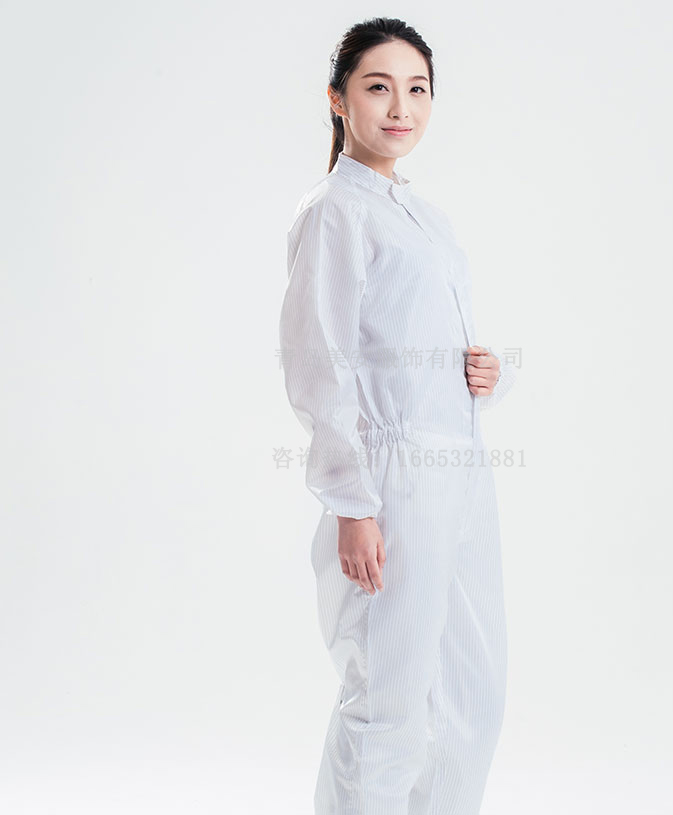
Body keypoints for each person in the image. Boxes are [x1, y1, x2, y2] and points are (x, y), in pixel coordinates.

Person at [279, 16, 518, 815]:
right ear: (338, 99)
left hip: (461, 473)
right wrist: (352, 504)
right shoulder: (334, 212)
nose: (400, 107)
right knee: (388, 701)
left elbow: (406, 340)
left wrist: (484, 373)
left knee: (472, 695)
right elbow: (319, 363)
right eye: (378, 87)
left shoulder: (425, 218)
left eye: (417, 89)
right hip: (392, 481)